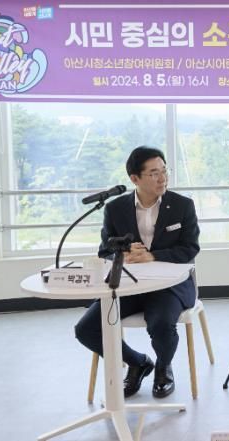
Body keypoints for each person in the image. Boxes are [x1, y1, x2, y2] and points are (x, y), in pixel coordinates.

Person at [75, 146, 200, 398]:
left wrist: (153, 256)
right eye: (154, 173)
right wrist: (122, 253)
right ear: (135, 178)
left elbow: (190, 248)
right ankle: (138, 362)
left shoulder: (182, 205)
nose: (163, 178)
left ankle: (163, 367)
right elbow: (105, 251)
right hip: (128, 285)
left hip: (170, 286)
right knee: (86, 329)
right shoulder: (115, 209)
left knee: (161, 323)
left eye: (164, 171)